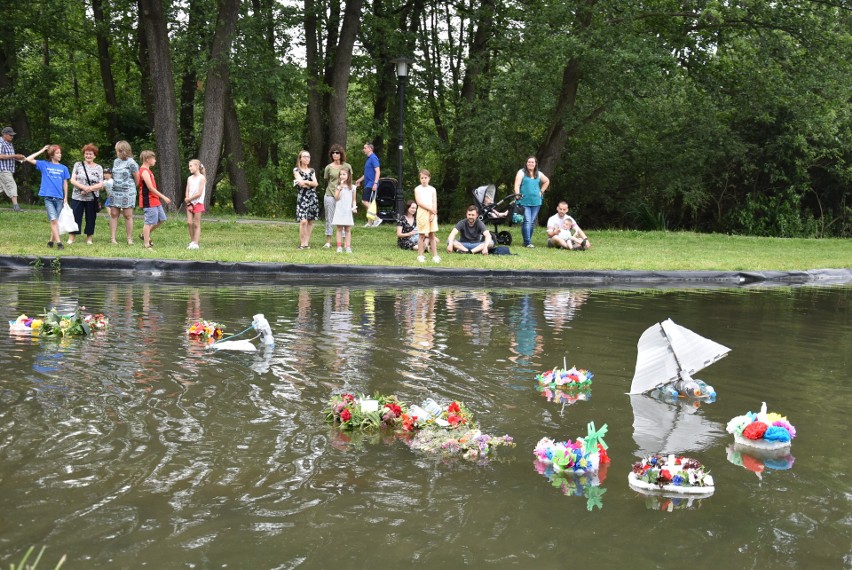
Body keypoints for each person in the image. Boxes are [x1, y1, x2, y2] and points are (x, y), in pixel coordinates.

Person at [23, 144, 70, 249]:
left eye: (60, 153)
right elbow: (28, 159)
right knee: (53, 220)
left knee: (56, 221)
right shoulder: (44, 165)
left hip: (59, 198)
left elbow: (65, 183)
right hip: (48, 197)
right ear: (52, 155)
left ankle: (50, 242)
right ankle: (59, 243)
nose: (60, 155)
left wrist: (65, 197)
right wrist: (42, 150)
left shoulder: (64, 168)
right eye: (57, 153)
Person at [68, 144, 104, 245]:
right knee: (75, 217)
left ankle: (89, 238)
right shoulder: (78, 165)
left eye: (90, 154)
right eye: (86, 154)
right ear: (84, 155)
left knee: (91, 218)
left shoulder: (99, 168)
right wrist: (83, 187)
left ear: (95, 156)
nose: (88, 156)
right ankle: (71, 238)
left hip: (92, 197)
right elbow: (72, 180)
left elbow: (101, 183)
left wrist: (90, 189)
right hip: (77, 196)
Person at [513, 156, 550, 248]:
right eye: (529, 162)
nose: (530, 164)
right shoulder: (521, 172)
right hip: (524, 201)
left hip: (536, 201)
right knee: (527, 221)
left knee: (531, 222)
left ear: (535, 164)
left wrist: (541, 191)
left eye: (532, 162)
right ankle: (527, 242)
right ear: (526, 163)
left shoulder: (539, 173)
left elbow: (546, 181)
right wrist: (517, 194)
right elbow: (517, 184)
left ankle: (527, 240)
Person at [138, 150, 171, 248]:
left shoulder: (148, 171)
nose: (155, 160)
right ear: (148, 159)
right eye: (154, 158)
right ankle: (146, 244)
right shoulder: (144, 171)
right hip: (148, 200)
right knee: (148, 222)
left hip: (155, 200)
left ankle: (145, 235)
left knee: (161, 219)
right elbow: (150, 188)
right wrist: (164, 197)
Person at [322, 144, 352, 248]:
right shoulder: (328, 167)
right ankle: (328, 241)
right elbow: (328, 180)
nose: (335, 154)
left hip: (343, 196)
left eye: (337, 152)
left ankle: (344, 242)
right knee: (329, 218)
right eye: (333, 153)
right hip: (330, 194)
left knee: (343, 218)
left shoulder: (347, 166)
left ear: (341, 154)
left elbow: (350, 180)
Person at [110, 140, 139, 244]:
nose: (117, 152)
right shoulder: (116, 161)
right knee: (114, 214)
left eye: (118, 150)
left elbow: (137, 178)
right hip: (115, 191)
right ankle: (113, 238)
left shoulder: (131, 162)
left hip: (128, 192)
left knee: (127, 215)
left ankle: (129, 239)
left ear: (123, 150)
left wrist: (130, 188)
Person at [293, 150, 319, 249]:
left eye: (308, 157)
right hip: (302, 197)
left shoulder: (312, 170)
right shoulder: (296, 170)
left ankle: (306, 243)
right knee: (303, 221)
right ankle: (302, 243)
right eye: (304, 156)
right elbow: (300, 184)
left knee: (310, 221)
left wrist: (306, 182)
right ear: (300, 158)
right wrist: (310, 182)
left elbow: (316, 184)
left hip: (313, 197)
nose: (306, 158)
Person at [414, 169, 440, 263]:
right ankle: (420, 255)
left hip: (432, 213)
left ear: (429, 178)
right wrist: (430, 209)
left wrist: (433, 213)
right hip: (422, 212)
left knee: (432, 235)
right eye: (422, 178)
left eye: (425, 178)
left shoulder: (433, 189)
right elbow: (419, 202)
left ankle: (435, 256)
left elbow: (434, 202)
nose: (424, 179)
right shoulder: (417, 189)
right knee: (421, 235)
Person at [355, 142, 380, 227]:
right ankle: (370, 222)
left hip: (372, 183)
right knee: (368, 202)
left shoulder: (373, 158)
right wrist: (360, 180)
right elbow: (366, 174)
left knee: (364, 201)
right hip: (367, 183)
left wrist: (375, 183)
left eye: (365, 148)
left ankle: (377, 219)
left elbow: (378, 171)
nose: (363, 149)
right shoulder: (368, 159)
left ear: (370, 149)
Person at [331, 167, 356, 253]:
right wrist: (339, 188)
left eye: (344, 174)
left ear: (348, 175)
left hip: (347, 210)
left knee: (348, 229)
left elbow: (354, 200)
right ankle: (339, 246)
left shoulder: (352, 187)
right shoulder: (338, 186)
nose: (342, 176)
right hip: (339, 210)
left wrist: (354, 207)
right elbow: (336, 198)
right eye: (340, 174)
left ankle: (348, 246)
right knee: (339, 229)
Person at [0, 127, 25, 211]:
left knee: (1, 188)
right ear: (4, 134)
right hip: (3, 169)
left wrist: (19, 158)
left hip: (9, 170)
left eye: (12, 135)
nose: (12, 137)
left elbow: (10, 156)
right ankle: (16, 206)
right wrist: (15, 156)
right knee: (12, 185)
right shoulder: (0, 142)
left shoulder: (9, 143)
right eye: (10, 135)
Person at [184, 159, 206, 250]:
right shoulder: (189, 178)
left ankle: (196, 243)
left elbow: (199, 193)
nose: (189, 168)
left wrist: (189, 199)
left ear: (197, 166)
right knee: (189, 223)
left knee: (196, 224)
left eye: (191, 166)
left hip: (198, 203)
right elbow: (187, 191)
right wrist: (188, 202)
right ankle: (192, 241)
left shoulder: (202, 178)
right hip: (190, 203)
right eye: (189, 166)